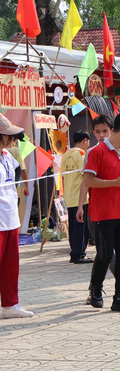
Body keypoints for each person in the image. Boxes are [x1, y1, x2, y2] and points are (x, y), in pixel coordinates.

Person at [84, 112, 120, 312]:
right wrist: (113, 183)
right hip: (104, 213)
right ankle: (96, 288)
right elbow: (88, 181)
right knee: (105, 255)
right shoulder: (96, 152)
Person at [0, 114, 34, 319]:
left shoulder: (7, 155)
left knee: (10, 266)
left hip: (10, 217)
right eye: (8, 135)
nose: (13, 140)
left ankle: (10, 305)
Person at [61, 130, 92, 264]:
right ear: (85, 140)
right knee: (82, 228)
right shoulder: (81, 154)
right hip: (81, 196)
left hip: (69, 195)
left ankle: (75, 253)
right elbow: (86, 175)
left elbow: (62, 176)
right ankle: (79, 254)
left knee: (74, 227)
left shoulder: (65, 154)